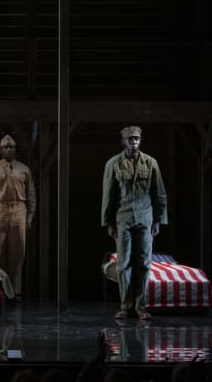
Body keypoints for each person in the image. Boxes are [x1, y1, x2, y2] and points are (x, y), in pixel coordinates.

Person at [101, 126, 167, 321]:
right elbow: (109, 196)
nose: (134, 142)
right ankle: (125, 306)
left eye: (137, 139)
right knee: (124, 264)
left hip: (145, 219)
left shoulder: (150, 163)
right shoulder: (114, 164)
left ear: (140, 141)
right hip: (124, 218)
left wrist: (158, 220)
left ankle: (140, 306)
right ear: (123, 142)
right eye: (130, 139)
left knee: (144, 263)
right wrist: (108, 222)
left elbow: (159, 193)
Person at [0, 134, 36, 302]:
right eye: (5, 147)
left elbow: (31, 194)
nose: (9, 149)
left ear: (16, 150)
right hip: (0, 208)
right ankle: (2, 289)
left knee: (18, 252)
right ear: (0, 150)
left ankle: (16, 291)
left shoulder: (24, 169)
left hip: (19, 208)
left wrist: (30, 217)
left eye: (11, 147)